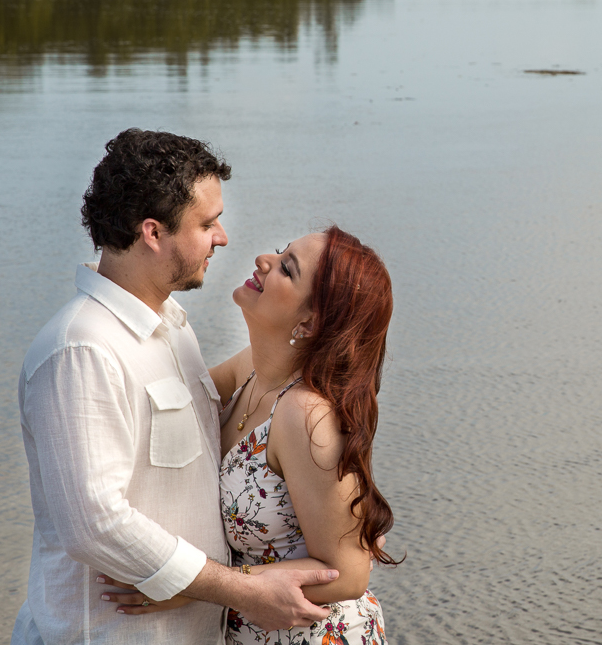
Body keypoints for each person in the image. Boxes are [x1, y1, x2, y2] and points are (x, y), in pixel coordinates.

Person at [13, 129, 338, 645]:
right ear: (152, 232)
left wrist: (348, 502)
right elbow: (94, 523)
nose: (224, 237)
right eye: (207, 223)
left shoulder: (171, 327)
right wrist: (242, 591)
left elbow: (273, 394)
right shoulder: (81, 349)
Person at [102, 227, 397, 645]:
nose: (263, 259)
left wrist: (192, 586)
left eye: (287, 269)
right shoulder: (251, 371)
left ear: (310, 322)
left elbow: (349, 573)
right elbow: (162, 403)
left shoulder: (304, 414)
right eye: (281, 252)